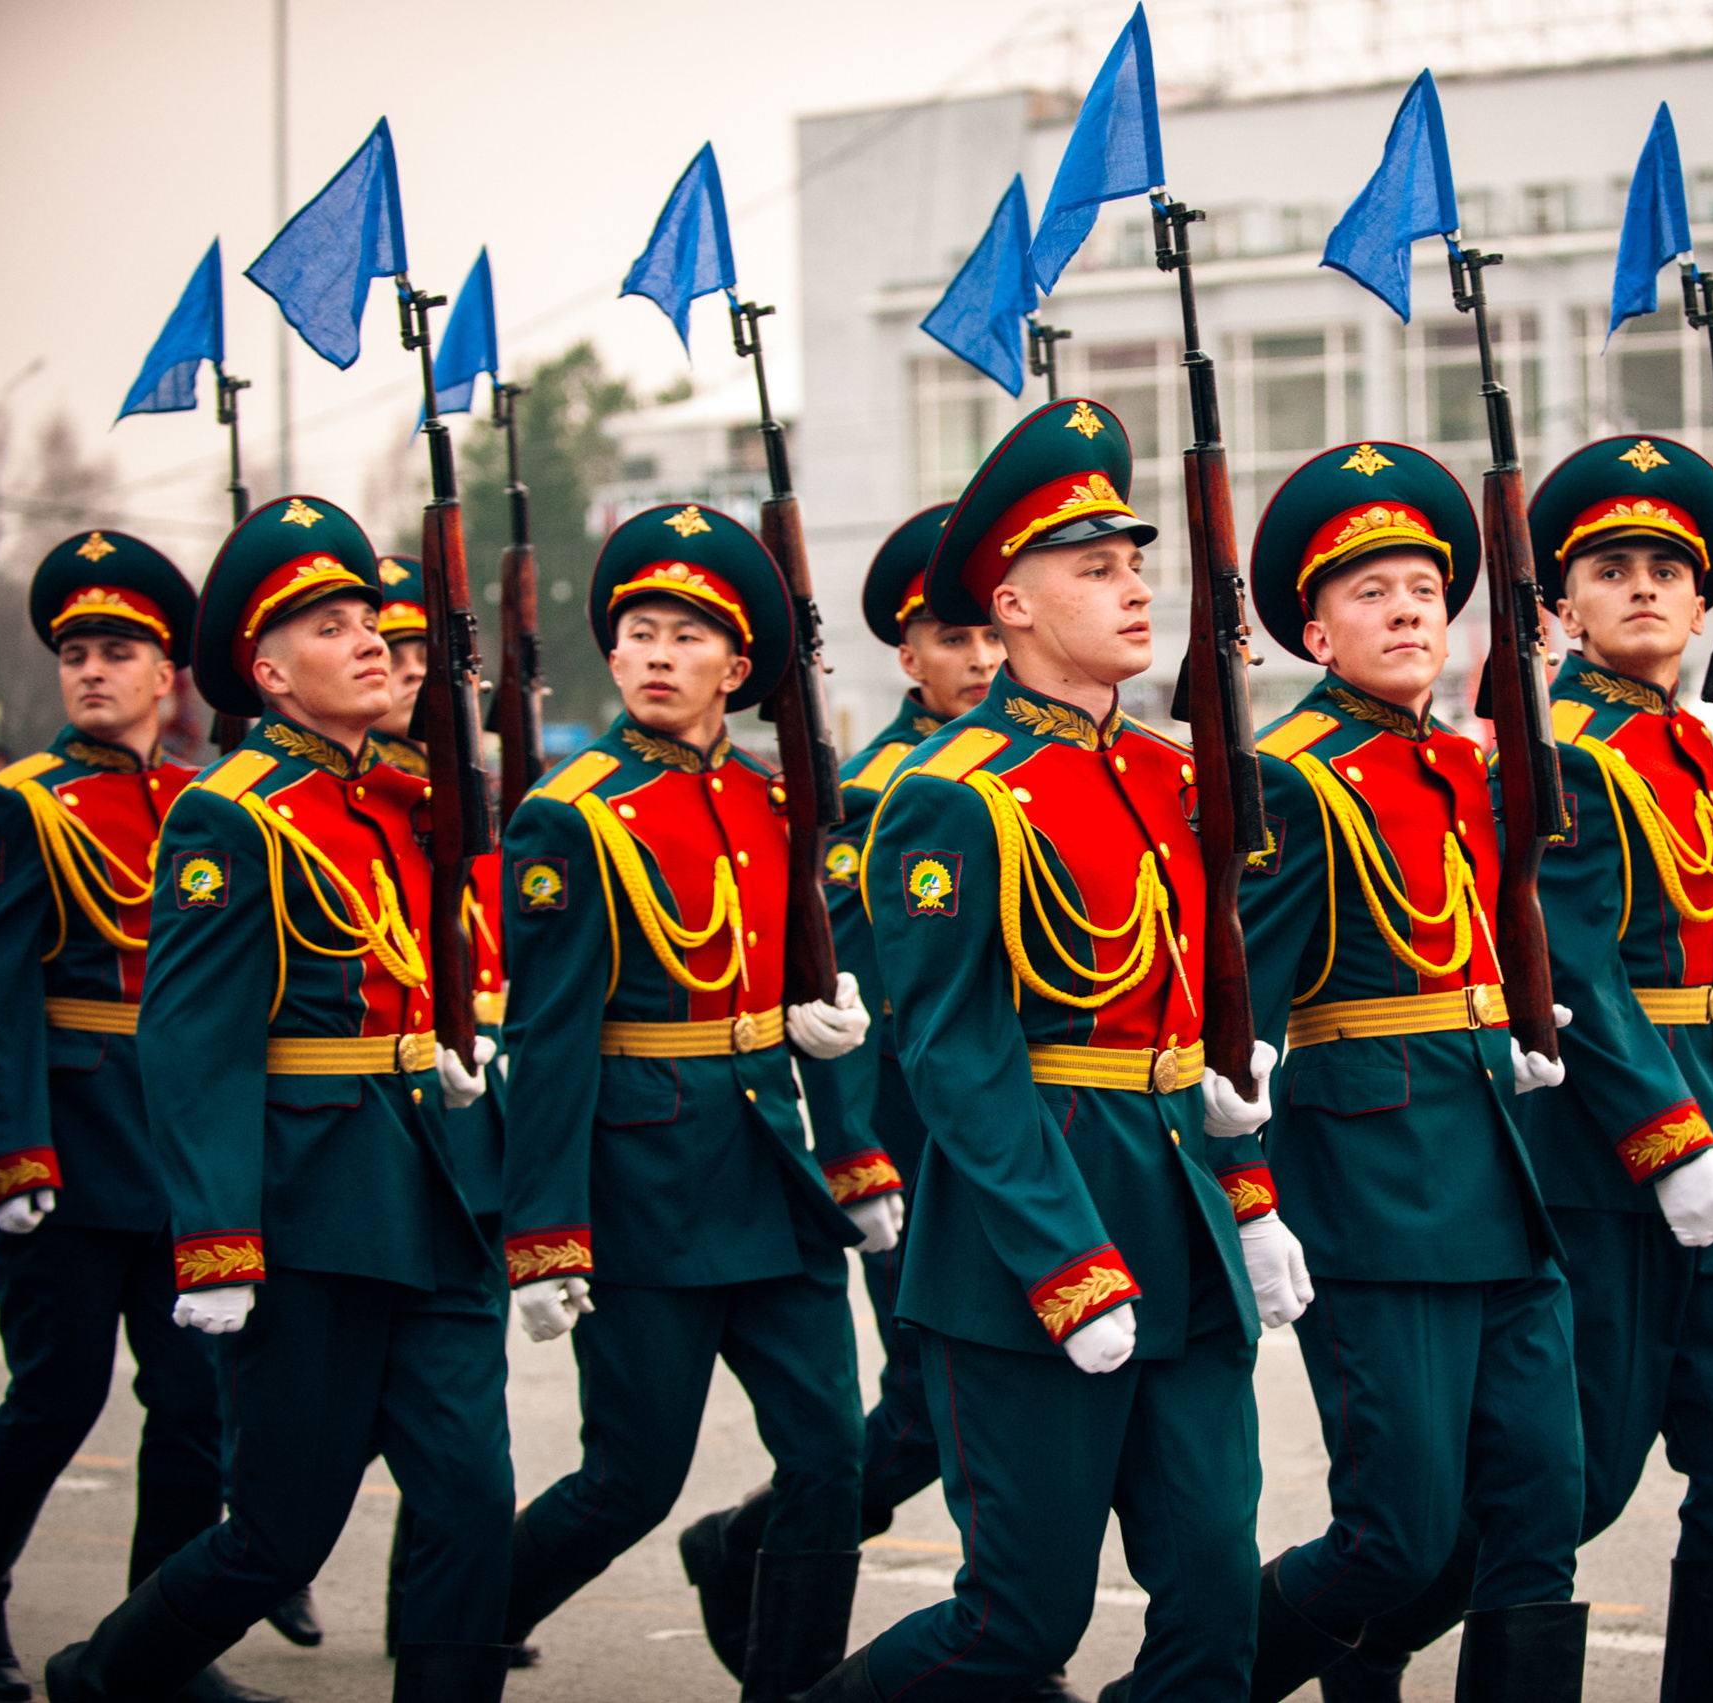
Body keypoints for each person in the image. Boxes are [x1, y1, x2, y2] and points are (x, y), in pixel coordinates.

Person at [802, 396, 1305, 1703]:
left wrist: (1249, 1200)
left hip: (1182, 1227)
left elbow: (1198, 1033)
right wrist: (1071, 1263)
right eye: (1095, 569)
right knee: (1018, 1620)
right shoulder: (951, 790)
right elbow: (957, 1058)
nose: (1136, 589)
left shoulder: (1174, 773)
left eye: (1137, 563)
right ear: (1013, 606)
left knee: (1213, 1602)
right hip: (1036, 1242)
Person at [42, 495, 514, 1703]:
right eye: (326, 622)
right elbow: (192, 1042)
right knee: (278, 1533)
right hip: (308, 1216)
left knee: (469, 1502)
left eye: (368, 614)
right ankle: (111, 1674)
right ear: (265, 670)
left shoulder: (412, 803)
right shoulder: (231, 814)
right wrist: (214, 1240)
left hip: (434, 1192)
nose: (367, 638)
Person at [493, 503, 887, 1700]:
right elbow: (546, 1042)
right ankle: (458, 1621)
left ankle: (791, 1686)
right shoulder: (571, 814)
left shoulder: (777, 805)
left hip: (772, 1179)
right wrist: (545, 1233)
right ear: (613, 658)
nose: (659, 653)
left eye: (688, 633)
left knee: (829, 1457)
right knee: (631, 1476)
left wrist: (855, 1140)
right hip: (644, 1190)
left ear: (739, 666)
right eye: (639, 631)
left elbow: (800, 987)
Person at [671, 505, 1061, 1693]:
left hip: (1025, 1129)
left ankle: (743, 1543)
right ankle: (966, 1628)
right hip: (916, 1139)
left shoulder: (1035, 769)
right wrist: (857, 1155)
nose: (983, 661)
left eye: (990, 635)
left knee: (950, 1401)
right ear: (910, 656)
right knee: (943, 1396)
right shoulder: (881, 793)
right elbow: (843, 1002)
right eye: (955, 640)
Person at [1227, 441, 1588, 1703]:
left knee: (1542, 1509)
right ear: (1315, 636)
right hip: (1374, 1204)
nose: (1404, 613)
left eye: (1424, 593)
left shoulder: (1471, 767)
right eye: (1369, 594)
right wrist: (1246, 1198)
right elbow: (1243, 1034)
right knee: (1397, 1536)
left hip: (1497, 1184)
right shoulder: (1293, 777)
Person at [0, 534, 275, 1703]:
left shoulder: (204, 801)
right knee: (59, 1390)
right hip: (69, 1149)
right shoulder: (16, 804)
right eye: (75, 651)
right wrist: (14, 1148)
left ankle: (152, 1644)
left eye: (117, 650)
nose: (92, 670)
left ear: (167, 670)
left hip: (178, 1154)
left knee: (189, 1411)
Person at [1522, 435, 1713, 1703]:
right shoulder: (1565, 743)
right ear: (1562, 603)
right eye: (1609, 567)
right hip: (1613, 1144)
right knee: (1573, 1483)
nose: (1641, 588)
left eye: (1666, 570)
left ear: (1703, 605)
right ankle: (1355, 1636)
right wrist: (1670, 1138)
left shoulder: (1687, 737)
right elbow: (1572, 965)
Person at [361, 558, 521, 1664]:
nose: (417, 679)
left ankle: (436, 1610)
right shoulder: (373, 803)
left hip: (476, 1125)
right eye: (400, 657)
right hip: (364, 1138)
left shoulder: (486, 804)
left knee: (462, 1437)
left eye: (434, 662)